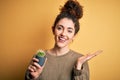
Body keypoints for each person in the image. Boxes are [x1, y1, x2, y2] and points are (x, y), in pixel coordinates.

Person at [25, 0, 102, 80]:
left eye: (69, 31)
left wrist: (78, 68)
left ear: (74, 35)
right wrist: (33, 77)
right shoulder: (39, 56)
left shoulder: (81, 61)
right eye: (59, 28)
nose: (63, 34)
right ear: (53, 30)